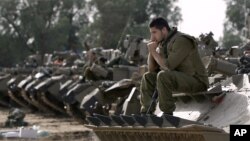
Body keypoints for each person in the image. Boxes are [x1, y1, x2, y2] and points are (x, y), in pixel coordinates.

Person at [140, 17, 209, 115]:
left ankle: (167, 113)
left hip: (197, 81)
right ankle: (146, 113)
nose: (152, 36)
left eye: (154, 32)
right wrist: (152, 50)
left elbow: (168, 66)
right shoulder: (164, 43)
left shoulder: (181, 40)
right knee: (148, 77)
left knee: (163, 75)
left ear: (163, 30)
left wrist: (153, 51)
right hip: (180, 78)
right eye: (151, 33)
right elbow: (151, 69)